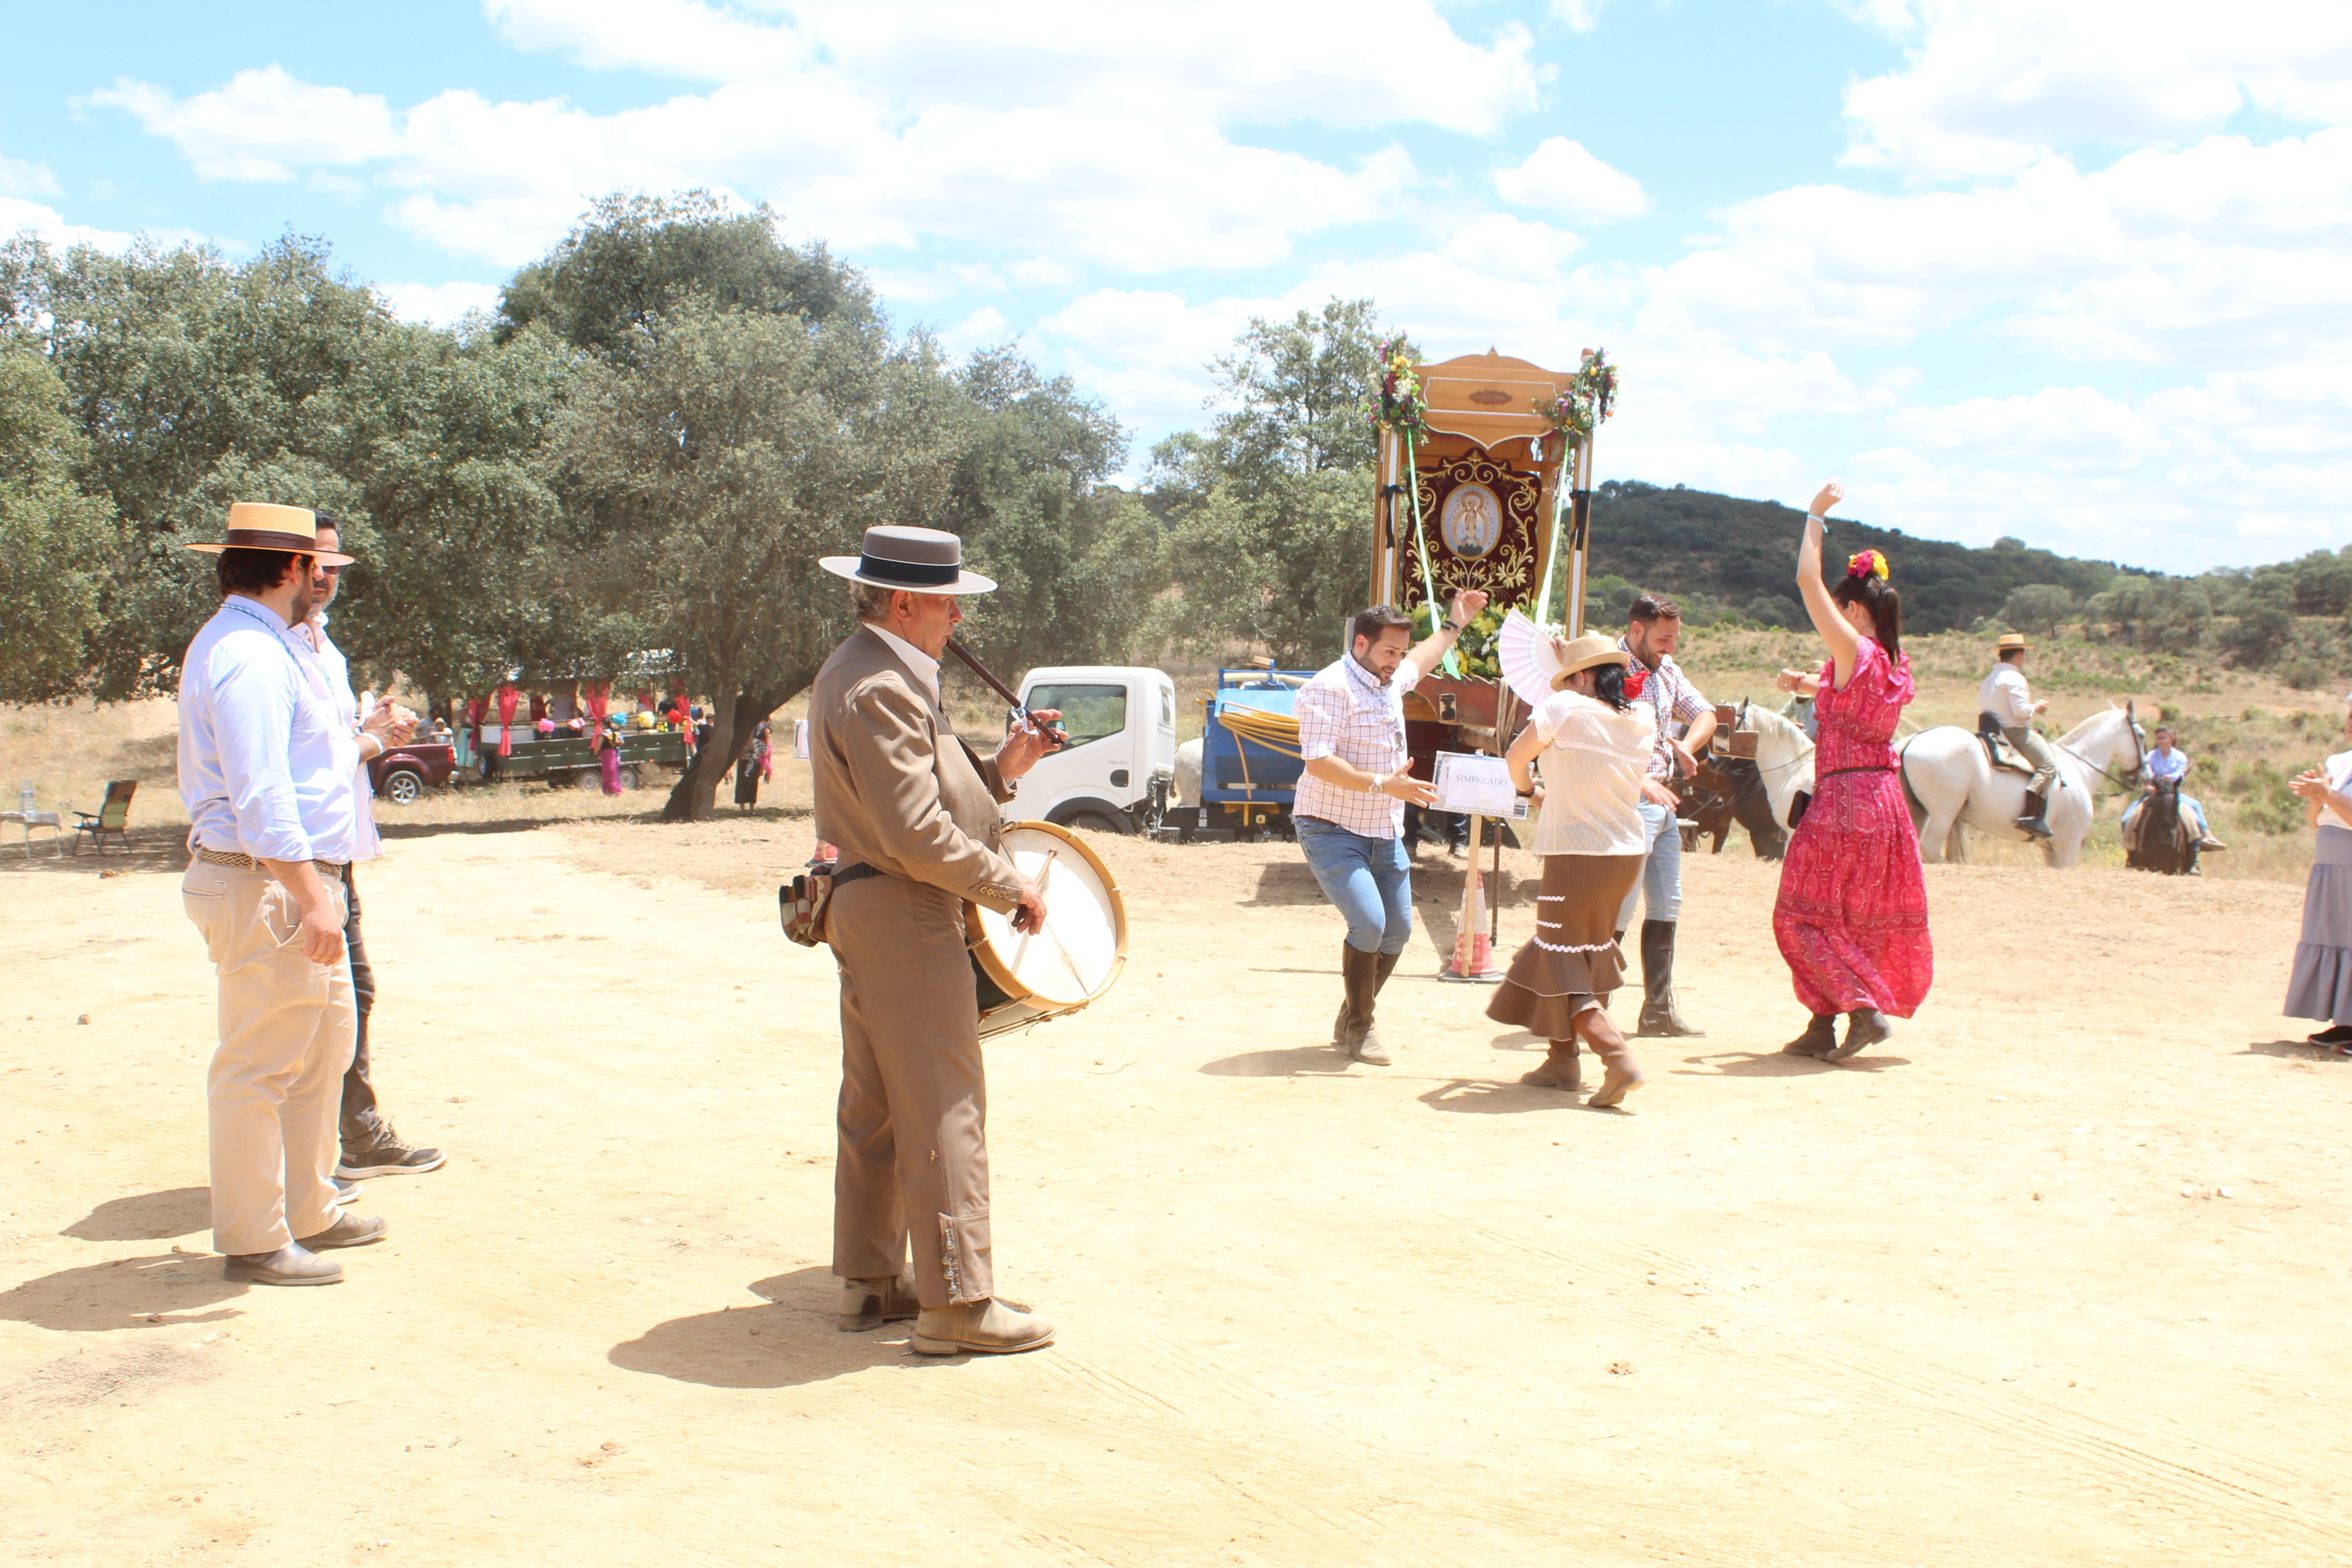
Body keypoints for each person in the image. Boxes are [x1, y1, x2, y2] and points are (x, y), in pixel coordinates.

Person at [810, 524, 1063, 1355]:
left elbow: (918, 803)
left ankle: (873, 1279)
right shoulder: (882, 684)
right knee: (945, 1100)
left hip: (874, 905)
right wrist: (1008, 884)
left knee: (881, 1100)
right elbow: (916, 834)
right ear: (905, 601)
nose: (957, 619)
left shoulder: (870, 673)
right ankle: (957, 1304)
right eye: (949, 603)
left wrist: (1003, 770)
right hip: (907, 912)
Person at [176, 501, 387, 1286]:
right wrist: (311, 894)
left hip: (280, 879)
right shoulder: (250, 654)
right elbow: (261, 793)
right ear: (295, 568)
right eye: (319, 567)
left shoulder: (258, 644)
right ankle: (254, 1237)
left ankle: (309, 1208)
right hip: (263, 880)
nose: (325, 580)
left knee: (321, 1051)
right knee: (261, 1064)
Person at [298, 517, 447, 1181]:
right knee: (313, 1010)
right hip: (296, 863)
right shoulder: (266, 650)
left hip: (333, 857)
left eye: (335, 566)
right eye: (315, 564)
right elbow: (294, 768)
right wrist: (372, 741)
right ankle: (311, 1164)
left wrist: (371, 730)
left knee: (349, 998)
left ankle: (353, 1137)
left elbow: (326, 750)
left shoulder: (322, 651)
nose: (326, 578)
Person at [1294, 589, 1490, 1066]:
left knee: (1398, 931)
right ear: (1361, 643)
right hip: (1331, 828)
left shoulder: (1387, 677)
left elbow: (1421, 662)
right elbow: (1318, 762)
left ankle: (1351, 1016)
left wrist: (1454, 624)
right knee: (1371, 923)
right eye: (1389, 652)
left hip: (1383, 829)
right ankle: (1362, 1028)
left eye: (1400, 653)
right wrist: (1385, 786)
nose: (1397, 662)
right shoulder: (1328, 686)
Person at [1772, 485, 1934, 1061]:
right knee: (1849, 915)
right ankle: (1822, 1023)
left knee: (1799, 914)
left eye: (1843, 609)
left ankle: (1862, 1013)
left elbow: (1806, 582)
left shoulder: (1853, 647)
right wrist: (1807, 684)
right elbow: (1857, 705)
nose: (1835, 618)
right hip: (1884, 801)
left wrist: (1815, 516)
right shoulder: (1895, 662)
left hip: (1843, 800)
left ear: (1856, 610)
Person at [1491, 633, 1659, 1106]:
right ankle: (1561, 1060)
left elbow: (1514, 759)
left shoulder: (1562, 708)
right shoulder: (1641, 719)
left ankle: (1616, 1056)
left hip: (1575, 856)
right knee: (1583, 952)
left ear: (1581, 678)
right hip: (1625, 855)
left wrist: (1527, 791)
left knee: (1560, 957)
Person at [1616, 595, 1719, 1038]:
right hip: (1627, 800)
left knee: (1666, 903)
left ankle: (1657, 1009)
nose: (1670, 648)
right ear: (1637, 630)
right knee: (1618, 907)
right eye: (1663, 639)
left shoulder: (1668, 671)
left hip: (1663, 803)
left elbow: (1706, 713)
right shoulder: (1610, 669)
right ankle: (1584, 1006)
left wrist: (1688, 746)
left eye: (1675, 639)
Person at [2285, 701, 2352, 1052]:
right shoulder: (2339, 762)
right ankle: (2345, 1020)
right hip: (2330, 862)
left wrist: (2327, 793)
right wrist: (2315, 796)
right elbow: (2317, 821)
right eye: (2351, 717)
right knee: (2336, 936)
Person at [1980, 632, 2061, 840]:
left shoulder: (1990, 679)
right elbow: (2021, 712)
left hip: (1992, 730)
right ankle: (2031, 813)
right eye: (2024, 655)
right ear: (2018, 655)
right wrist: (2038, 707)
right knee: (2049, 766)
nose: (2024, 659)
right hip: (2015, 732)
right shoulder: (2015, 678)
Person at [2122, 726, 2225, 853]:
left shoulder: (2180, 757)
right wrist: (2148, 787)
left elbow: (2179, 774)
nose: (2160, 741)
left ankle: (2205, 840)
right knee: (2126, 819)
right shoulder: (2151, 756)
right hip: (2152, 794)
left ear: (2172, 738)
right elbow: (2144, 776)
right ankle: (2132, 852)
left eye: (2164, 738)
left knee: (2196, 807)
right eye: (2159, 738)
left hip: (2171, 794)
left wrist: (2170, 778)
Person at [735, 720, 770, 811]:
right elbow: (737, 755)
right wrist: (746, 749)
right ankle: (742, 810)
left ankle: (752, 810)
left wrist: (758, 755)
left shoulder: (757, 742)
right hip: (744, 763)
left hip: (754, 764)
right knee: (742, 785)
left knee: (753, 786)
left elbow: (765, 751)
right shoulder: (741, 743)